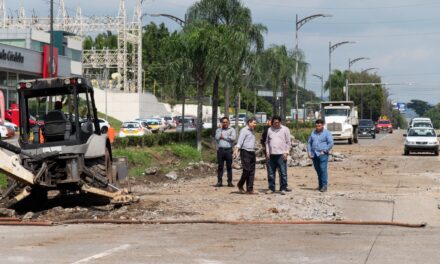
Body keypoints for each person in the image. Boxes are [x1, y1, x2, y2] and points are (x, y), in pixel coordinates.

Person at [265, 116, 292, 195]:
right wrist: (267, 152)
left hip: (281, 154)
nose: (276, 124)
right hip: (271, 155)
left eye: (277, 122)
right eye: (274, 123)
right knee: (270, 173)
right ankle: (271, 188)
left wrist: (286, 152)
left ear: (280, 122)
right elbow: (267, 142)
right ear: (272, 123)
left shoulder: (285, 129)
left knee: (283, 172)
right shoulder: (269, 130)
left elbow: (288, 142)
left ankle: (283, 188)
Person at [307, 119, 334, 192]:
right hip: (314, 154)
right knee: (318, 170)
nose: (317, 127)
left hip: (323, 154)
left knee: (323, 169)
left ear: (322, 125)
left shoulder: (327, 133)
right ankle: (320, 185)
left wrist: (325, 150)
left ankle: (324, 186)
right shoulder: (313, 133)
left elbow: (331, 143)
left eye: (319, 126)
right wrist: (309, 152)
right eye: (316, 126)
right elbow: (309, 143)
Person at [234, 118, 257, 194]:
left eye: (255, 123)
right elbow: (240, 140)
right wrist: (237, 149)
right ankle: (240, 184)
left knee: (252, 171)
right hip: (245, 151)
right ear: (249, 123)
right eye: (254, 123)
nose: (255, 125)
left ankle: (249, 189)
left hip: (252, 152)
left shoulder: (253, 131)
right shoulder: (244, 130)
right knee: (246, 170)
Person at [215, 117, 236, 187]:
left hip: (228, 150)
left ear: (228, 122)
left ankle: (229, 182)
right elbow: (217, 137)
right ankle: (219, 181)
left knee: (229, 167)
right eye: (223, 122)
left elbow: (233, 138)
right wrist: (221, 130)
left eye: (226, 122)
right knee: (220, 166)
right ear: (221, 123)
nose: (225, 123)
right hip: (220, 150)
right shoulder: (218, 130)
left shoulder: (232, 129)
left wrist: (224, 137)